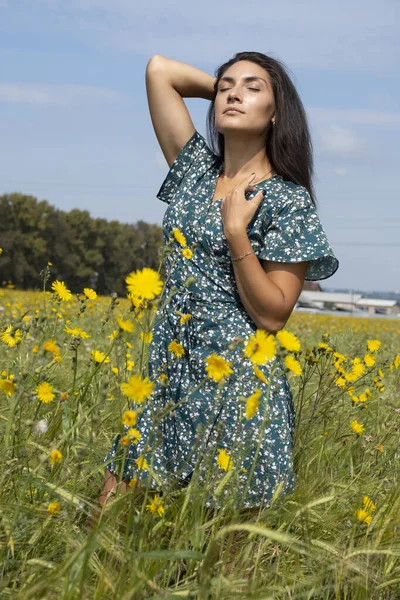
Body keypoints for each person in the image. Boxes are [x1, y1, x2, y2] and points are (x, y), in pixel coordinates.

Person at [98, 51, 339, 510]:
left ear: (276, 112)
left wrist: (236, 233)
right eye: (227, 84)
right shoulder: (194, 172)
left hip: (237, 388)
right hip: (169, 377)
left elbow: (273, 315)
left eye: (253, 87)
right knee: (106, 518)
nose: (234, 92)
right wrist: (225, 95)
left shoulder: (288, 201)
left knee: (223, 563)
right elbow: (159, 71)